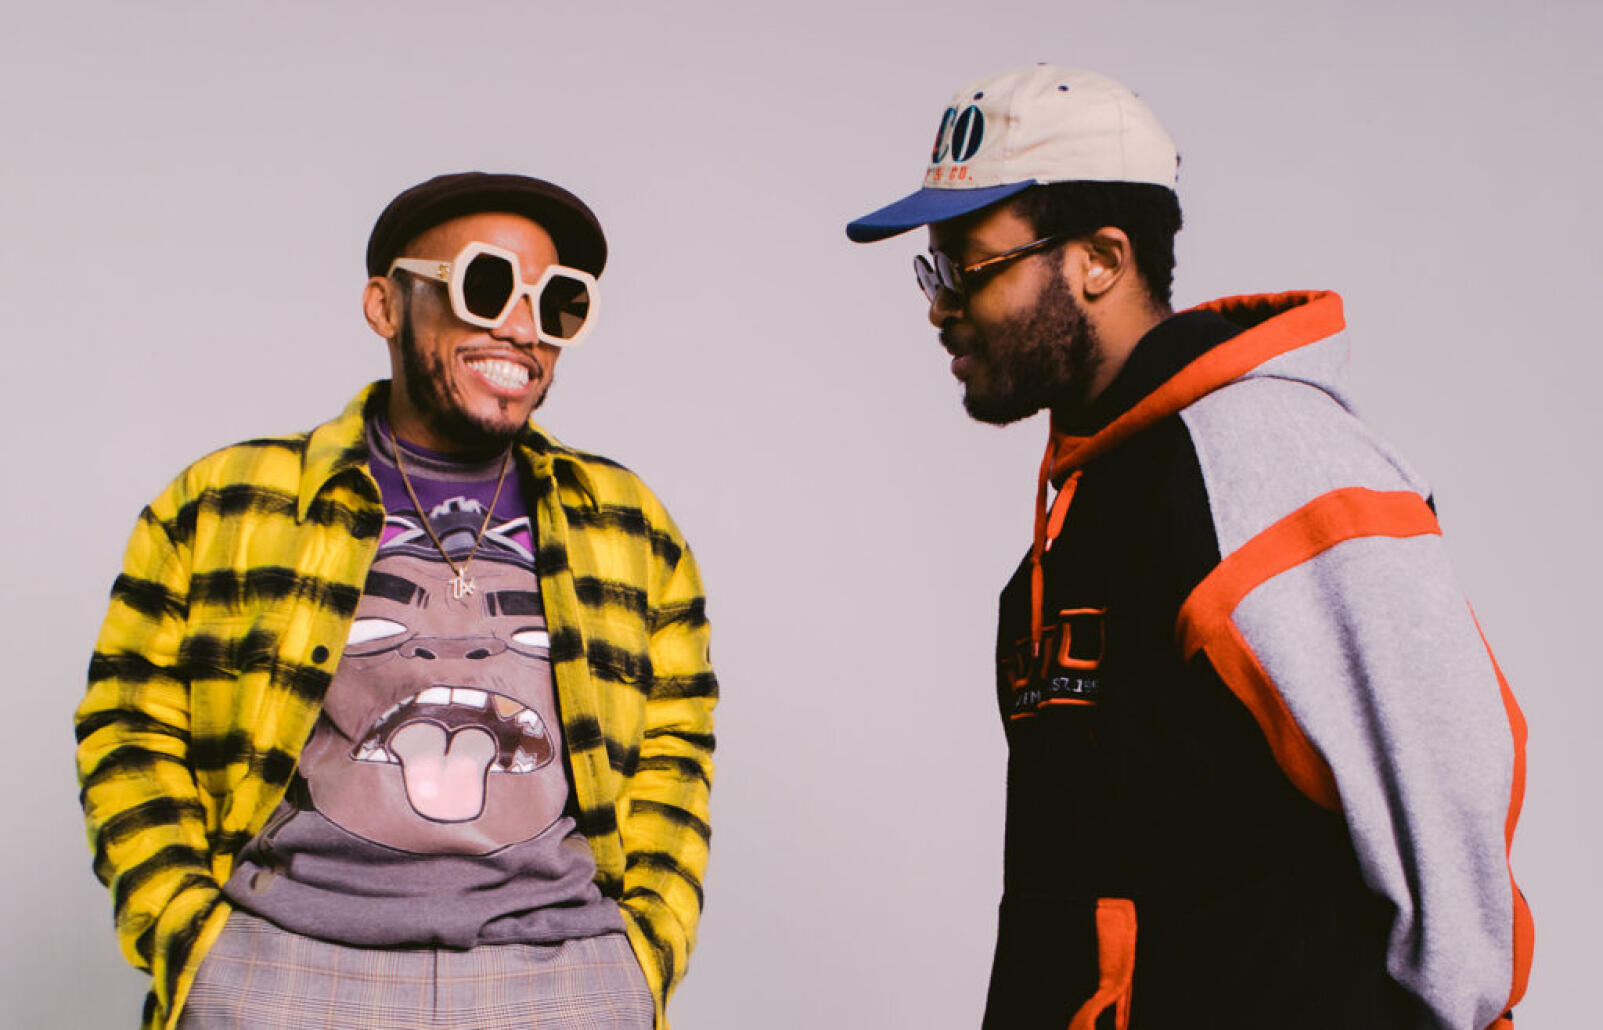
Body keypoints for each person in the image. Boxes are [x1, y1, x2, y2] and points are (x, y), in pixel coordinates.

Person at [846, 65, 1531, 1030]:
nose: (940, 304)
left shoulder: (1267, 458)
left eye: (968, 266)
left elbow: (1445, 783)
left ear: (1099, 259)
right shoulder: (1091, 497)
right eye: (933, 272)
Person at [76, 172, 717, 1030]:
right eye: (485, 285)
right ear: (385, 305)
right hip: (282, 971)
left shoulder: (628, 525)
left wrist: (641, 955)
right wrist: (191, 941)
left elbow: (677, 746)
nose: (521, 327)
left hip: (563, 977)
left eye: (557, 303)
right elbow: (130, 721)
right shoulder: (224, 503)